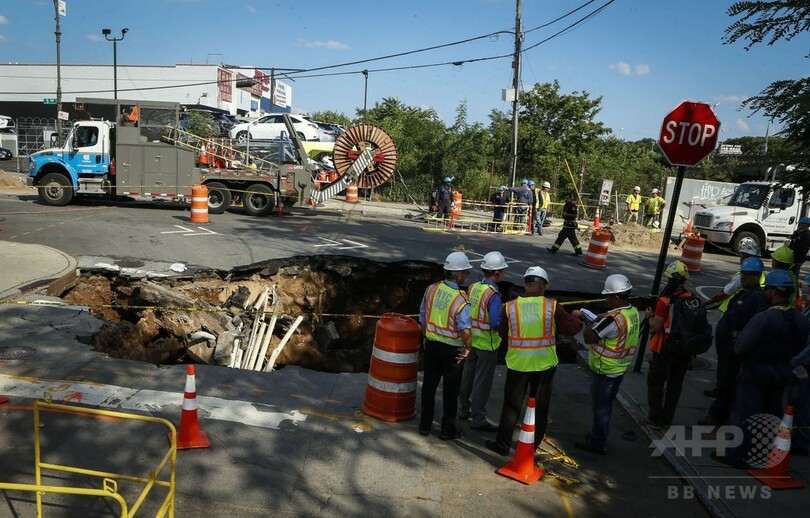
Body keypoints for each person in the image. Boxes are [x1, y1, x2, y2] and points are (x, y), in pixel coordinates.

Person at [714, 269, 809, 467]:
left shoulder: (764, 318)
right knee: (772, 415)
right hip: (783, 374)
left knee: (745, 414)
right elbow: (802, 347)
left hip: (756, 373)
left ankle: (737, 454)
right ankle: (764, 453)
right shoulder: (800, 320)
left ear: (773, 292)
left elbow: (741, 347)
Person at [484, 266, 583, 456]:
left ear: (525, 285)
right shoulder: (552, 306)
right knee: (540, 408)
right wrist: (577, 318)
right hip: (543, 366)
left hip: (518, 364)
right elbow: (571, 329)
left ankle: (502, 445)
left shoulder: (510, 307)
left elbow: (503, 333)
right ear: (543, 286)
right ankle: (532, 448)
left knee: (511, 407)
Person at [572, 274, 640, 454]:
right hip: (619, 368)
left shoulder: (612, 321)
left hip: (604, 370)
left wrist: (587, 321)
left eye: (608, 296)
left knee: (601, 407)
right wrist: (602, 316)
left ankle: (598, 442)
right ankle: (597, 435)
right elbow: (616, 321)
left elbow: (589, 338)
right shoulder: (631, 312)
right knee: (606, 404)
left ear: (617, 297)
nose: (606, 299)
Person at [698, 257, 769, 425]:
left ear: (757, 276)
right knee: (725, 380)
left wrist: (740, 334)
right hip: (726, 349)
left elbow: (755, 324)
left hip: (734, 351)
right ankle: (722, 411)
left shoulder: (757, 298)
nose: (743, 277)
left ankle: (718, 414)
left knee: (728, 383)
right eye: (742, 274)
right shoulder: (743, 293)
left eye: (747, 275)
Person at [419, 251, 473, 440]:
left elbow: (423, 316)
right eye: (466, 272)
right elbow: (465, 330)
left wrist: (425, 337)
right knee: (451, 392)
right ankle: (447, 429)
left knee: (429, 387)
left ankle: (425, 426)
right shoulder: (461, 299)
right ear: (458, 275)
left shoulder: (432, 289)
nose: (466, 276)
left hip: (432, 346)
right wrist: (468, 348)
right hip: (452, 351)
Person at [458, 251, 508, 432]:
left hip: (471, 341)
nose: (503, 274)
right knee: (482, 383)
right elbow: (495, 323)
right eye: (502, 271)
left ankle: (463, 409)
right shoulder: (493, 295)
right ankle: (478, 418)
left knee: (468, 377)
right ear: (495, 273)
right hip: (487, 345)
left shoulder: (473, 287)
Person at [645, 260, 692, 428]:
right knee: (675, 385)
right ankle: (667, 419)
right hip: (683, 350)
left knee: (656, 382)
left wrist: (649, 316)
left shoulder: (664, 301)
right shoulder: (691, 298)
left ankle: (655, 418)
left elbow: (656, 325)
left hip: (664, 348)